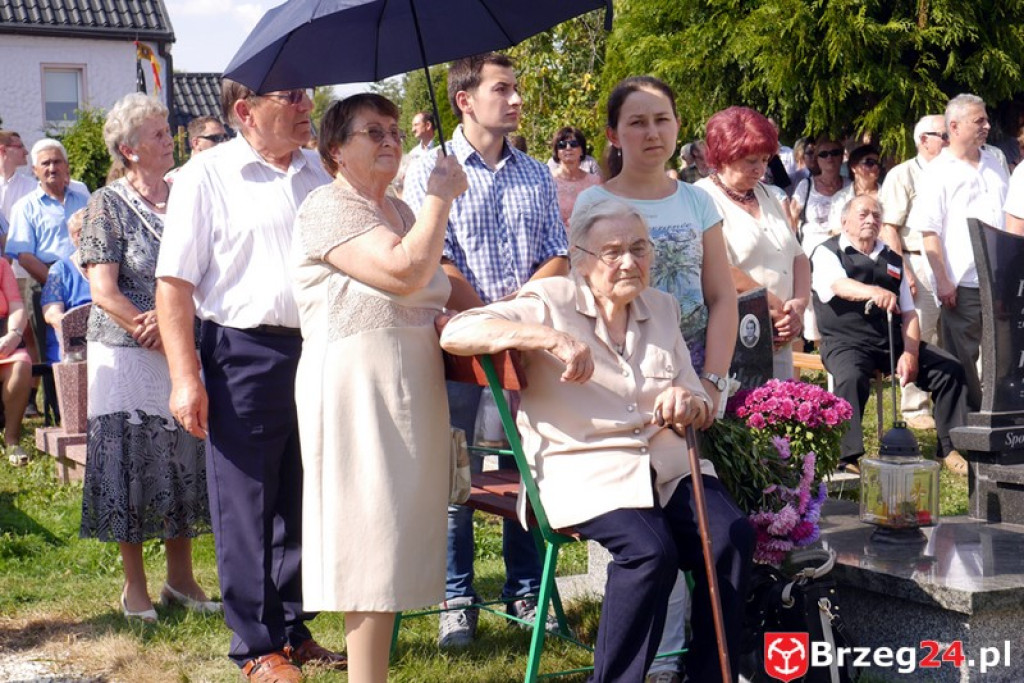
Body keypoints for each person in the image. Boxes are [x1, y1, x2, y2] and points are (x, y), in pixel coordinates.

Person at [440, 197, 754, 683]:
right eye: (613, 252)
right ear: (581, 257)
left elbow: (698, 400)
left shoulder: (663, 308)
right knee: (651, 551)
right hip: (582, 466)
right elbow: (458, 330)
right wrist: (547, 339)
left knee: (730, 536)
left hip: (665, 465)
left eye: (639, 248)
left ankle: (711, 674)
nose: (629, 261)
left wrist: (688, 402)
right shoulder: (551, 299)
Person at [156, 81, 344, 683]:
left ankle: (292, 629)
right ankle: (254, 646)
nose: (305, 105)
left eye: (306, 94)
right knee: (246, 502)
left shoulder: (320, 170)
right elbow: (174, 285)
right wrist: (186, 376)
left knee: (300, 494)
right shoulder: (206, 175)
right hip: (242, 351)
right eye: (289, 96)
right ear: (245, 111)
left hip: (318, 349)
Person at [292, 93, 467, 682]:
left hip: (413, 385)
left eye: (394, 129)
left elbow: (444, 279)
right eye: (373, 132)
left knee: (395, 536)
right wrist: (440, 197)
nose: (390, 139)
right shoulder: (327, 204)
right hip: (355, 389)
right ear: (336, 150)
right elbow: (403, 271)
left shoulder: (398, 209)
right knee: (366, 533)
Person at [573, 75, 737, 683]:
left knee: (717, 529)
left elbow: (723, 297)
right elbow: (583, 301)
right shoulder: (595, 204)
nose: (652, 132)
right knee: (654, 535)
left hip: (696, 379)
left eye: (662, 119)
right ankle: (656, 660)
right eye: (637, 122)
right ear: (614, 134)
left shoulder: (697, 201)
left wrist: (713, 382)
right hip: (628, 389)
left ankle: (702, 661)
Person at [404, 52, 567, 649]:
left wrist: (522, 311)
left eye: (517, 88)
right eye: (504, 89)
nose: (518, 99)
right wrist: (490, 317)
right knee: (457, 474)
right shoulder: (428, 168)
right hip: (455, 347)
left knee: (524, 470)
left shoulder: (535, 173)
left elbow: (557, 251)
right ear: (465, 100)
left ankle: (526, 590)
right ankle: (456, 595)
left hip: (526, 346)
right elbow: (434, 259)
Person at [77, 93, 217, 625]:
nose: (170, 140)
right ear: (131, 149)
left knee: (183, 453)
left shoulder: (185, 194)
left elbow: (207, 267)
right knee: (130, 462)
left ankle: (181, 579)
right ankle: (133, 587)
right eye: (159, 134)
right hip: (125, 350)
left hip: (178, 341)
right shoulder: (105, 204)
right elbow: (103, 288)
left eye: (168, 131)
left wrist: (176, 317)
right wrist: (148, 322)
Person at [812, 195, 967, 473]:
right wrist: (874, 292)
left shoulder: (892, 258)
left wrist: (911, 352)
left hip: (889, 342)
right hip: (845, 341)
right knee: (851, 376)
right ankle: (846, 457)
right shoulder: (827, 252)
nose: (871, 219)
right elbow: (837, 285)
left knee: (950, 368)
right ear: (844, 220)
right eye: (863, 214)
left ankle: (950, 447)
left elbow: (908, 313)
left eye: (876, 215)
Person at [908, 93, 1009, 412]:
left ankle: (994, 421)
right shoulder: (939, 171)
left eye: (986, 119)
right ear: (954, 125)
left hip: (998, 280)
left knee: (1001, 359)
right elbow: (929, 231)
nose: (987, 126)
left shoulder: (995, 163)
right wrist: (942, 281)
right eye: (979, 120)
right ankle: (959, 433)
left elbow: (1008, 220)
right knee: (961, 361)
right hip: (961, 283)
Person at [696, 106, 810, 379]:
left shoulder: (768, 195)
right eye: (750, 161)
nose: (760, 169)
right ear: (724, 156)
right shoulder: (701, 198)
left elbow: (797, 255)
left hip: (779, 330)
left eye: (765, 159)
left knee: (780, 414)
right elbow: (717, 267)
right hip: (735, 332)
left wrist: (798, 305)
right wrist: (772, 307)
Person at [878, 114, 949, 434]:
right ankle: (914, 404)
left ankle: (952, 399)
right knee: (917, 333)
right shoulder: (902, 174)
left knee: (950, 336)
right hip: (916, 260)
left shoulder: (952, 171)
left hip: (953, 264)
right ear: (923, 140)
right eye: (944, 135)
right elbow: (888, 226)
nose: (950, 140)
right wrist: (901, 269)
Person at [40, 208, 92, 362]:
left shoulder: (115, 266)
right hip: (74, 346)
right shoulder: (61, 270)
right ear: (78, 235)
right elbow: (52, 314)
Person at [0, 254, 32, 466]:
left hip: (3, 336)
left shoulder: (2, 265)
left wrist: (14, 334)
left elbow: (17, 306)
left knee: (21, 363)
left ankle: (11, 439)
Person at [549, 126, 601, 226]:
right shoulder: (547, 183)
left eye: (574, 144)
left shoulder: (596, 184)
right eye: (562, 145)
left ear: (582, 150)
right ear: (557, 152)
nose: (568, 148)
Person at [827, 144, 883, 233]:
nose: (875, 167)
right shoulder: (841, 197)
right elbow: (835, 230)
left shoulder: (888, 195)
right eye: (869, 163)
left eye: (878, 163)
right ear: (854, 167)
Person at [0, 130, 35, 253]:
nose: (26, 152)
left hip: (23, 262)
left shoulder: (33, 186)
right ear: (3, 150)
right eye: (20, 147)